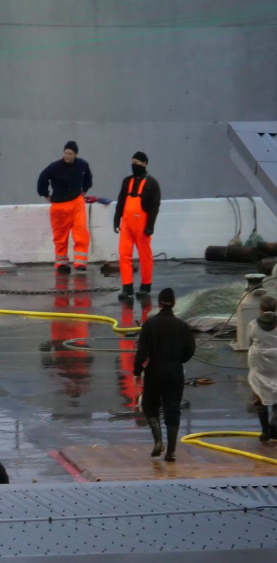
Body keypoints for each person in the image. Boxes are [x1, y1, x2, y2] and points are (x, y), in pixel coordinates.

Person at [134, 287, 195, 462]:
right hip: (175, 371)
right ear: (174, 303)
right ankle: (171, 452)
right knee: (173, 409)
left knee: (149, 405)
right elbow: (190, 350)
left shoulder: (150, 324)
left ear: (159, 303)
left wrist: (137, 371)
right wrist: (178, 360)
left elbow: (142, 351)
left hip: (154, 370)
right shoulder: (183, 326)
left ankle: (158, 441)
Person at [37, 142, 92, 273]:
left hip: (77, 202)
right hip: (59, 205)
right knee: (60, 236)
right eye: (65, 153)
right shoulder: (54, 167)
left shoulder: (83, 165)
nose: (67, 156)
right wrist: (45, 194)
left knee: (81, 231)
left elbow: (88, 178)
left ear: (75, 154)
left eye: (70, 154)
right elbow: (42, 179)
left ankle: (80, 262)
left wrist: (84, 190)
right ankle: (61, 263)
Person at [114, 151, 161, 301]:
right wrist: (116, 219)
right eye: (132, 163)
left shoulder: (152, 183)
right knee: (124, 255)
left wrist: (150, 226)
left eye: (138, 163)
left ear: (145, 164)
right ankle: (127, 288)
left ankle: (145, 287)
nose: (134, 166)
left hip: (142, 226)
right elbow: (121, 201)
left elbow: (155, 207)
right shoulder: (127, 181)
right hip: (126, 224)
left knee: (145, 257)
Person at [247, 294, 277, 443]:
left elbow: (250, 341)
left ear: (260, 309)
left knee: (259, 394)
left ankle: (265, 431)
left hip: (260, 364)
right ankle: (275, 424)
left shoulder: (253, 325)